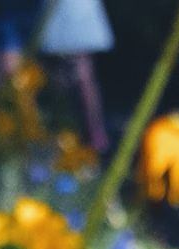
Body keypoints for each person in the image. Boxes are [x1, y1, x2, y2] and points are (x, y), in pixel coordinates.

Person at [36, 0, 114, 153]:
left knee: (81, 72)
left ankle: (94, 137)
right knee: (55, 73)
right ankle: (63, 138)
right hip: (54, 12)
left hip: (74, 10)